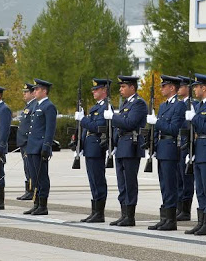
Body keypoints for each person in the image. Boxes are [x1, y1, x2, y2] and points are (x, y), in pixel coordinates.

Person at [107, 75, 147, 227]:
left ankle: (130, 216)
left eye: (123, 87)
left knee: (130, 182)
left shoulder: (139, 104)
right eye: (120, 86)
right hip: (122, 145)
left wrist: (113, 117)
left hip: (132, 145)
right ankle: (124, 213)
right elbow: (121, 126)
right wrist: (114, 144)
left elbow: (130, 123)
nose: (120, 89)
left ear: (132, 87)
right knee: (121, 182)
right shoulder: (126, 104)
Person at [147, 75, 184, 231]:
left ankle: (171, 220)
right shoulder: (163, 106)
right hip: (162, 147)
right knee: (163, 184)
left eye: (164, 86)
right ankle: (165, 218)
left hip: (170, 147)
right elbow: (157, 129)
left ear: (172, 88)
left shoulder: (179, 106)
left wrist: (157, 122)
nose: (161, 88)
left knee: (170, 184)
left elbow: (174, 129)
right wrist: (153, 146)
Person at [184, 74, 206, 236]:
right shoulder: (198, 106)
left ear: (204, 88)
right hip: (198, 149)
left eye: (196, 87)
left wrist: (195, 118)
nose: (194, 90)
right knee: (200, 189)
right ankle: (201, 222)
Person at [75, 78, 109, 223]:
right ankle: (95, 211)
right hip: (90, 147)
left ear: (104, 91)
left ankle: (99, 213)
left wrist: (83, 119)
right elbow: (88, 128)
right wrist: (80, 144)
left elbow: (97, 127)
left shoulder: (106, 108)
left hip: (97, 147)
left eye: (96, 89)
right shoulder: (96, 107)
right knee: (93, 180)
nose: (93, 92)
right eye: (93, 90)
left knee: (98, 180)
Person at [23, 79, 57, 216]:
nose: (34, 92)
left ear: (44, 91)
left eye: (37, 89)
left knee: (41, 176)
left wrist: (46, 146)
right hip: (32, 147)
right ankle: (36, 203)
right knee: (34, 177)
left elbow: (50, 129)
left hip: (40, 147)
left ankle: (43, 205)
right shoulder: (37, 106)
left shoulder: (49, 106)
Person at [175, 75, 198, 221]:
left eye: (181, 86)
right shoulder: (180, 104)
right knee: (178, 178)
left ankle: (185, 210)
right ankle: (179, 207)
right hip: (179, 143)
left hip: (187, 144)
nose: (179, 89)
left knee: (186, 179)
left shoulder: (191, 104)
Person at [16, 83, 37, 200]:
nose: (24, 94)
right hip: (24, 142)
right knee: (27, 167)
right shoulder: (28, 106)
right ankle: (29, 189)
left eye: (26, 92)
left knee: (29, 167)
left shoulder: (33, 106)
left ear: (33, 93)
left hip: (28, 142)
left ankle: (31, 190)